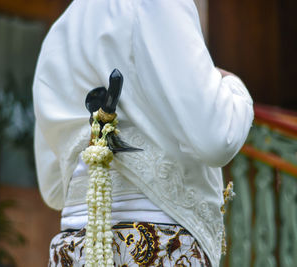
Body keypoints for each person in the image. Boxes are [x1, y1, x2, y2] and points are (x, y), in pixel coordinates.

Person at [33, 0, 254, 266]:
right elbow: (217, 137)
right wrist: (234, 87)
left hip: (74, 250)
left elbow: (54, 189)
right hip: (161, 244)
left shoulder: (58, 35)